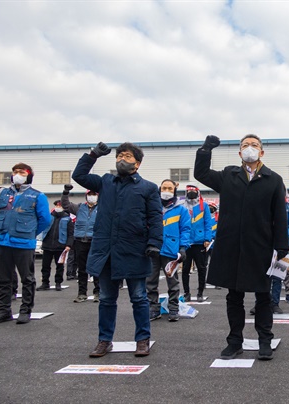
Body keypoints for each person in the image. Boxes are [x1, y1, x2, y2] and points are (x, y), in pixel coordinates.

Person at [194, 134, 289, 361]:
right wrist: (205, 150)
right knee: (233, 296)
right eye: (245, 145)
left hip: (261, 247)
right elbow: (201, 174)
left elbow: (279, 217)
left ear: (262, 152)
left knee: (263, 296)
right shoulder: (229, 175)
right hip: (231, 246)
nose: (249, 149)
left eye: (254, 145)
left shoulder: (273, 179)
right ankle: (234, 341)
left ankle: (265, 340)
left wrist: (281, 248)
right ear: (239, 153)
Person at [72, 142, 163, 358]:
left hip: (135, 250)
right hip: (106, 250)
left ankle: (142, 339)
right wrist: (93, 155)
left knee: (139, 298)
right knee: (106, 299)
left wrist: (154, 243)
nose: (122, 158)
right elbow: (79, 175)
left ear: (137, 164)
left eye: (128, 156)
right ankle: (105, 340)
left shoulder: (148, 188)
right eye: (119, 155)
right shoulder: (105, 182)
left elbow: (155, 218)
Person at [0, 163, 51, 324]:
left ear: (29, 174)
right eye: (15, 171)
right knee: (2, 279)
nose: (17, 174)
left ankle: (25, 310)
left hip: (23, 243)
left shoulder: (38, 196)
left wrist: (29, 233)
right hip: (2, 241)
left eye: (21, 172)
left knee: (27, 278)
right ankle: (4, 311)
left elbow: (45, 220)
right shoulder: (2, 193)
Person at [147, 180, 191, 322]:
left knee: (173, 282)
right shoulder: (152, 207)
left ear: (174, 191)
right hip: (153, 249)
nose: (166, 190)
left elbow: (185, 230)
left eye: (169, 188)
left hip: (171, 250)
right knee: (150, 281)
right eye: (164, 188)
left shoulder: (181, 209)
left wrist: (183, 247)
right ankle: (153, 309)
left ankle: (173, 308)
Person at [61, 185, 100, 303]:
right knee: (82, 269)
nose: (91, 197)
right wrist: (65, 192)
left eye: (94, 194)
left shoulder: (102, 208)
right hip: (80, 241)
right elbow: (65, 204)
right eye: (89, 194)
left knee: (97, 268)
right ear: (86, 196)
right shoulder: (79, 208)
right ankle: (82, 293)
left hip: (95, 241)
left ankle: (98, 293)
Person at [181, 185, 212, 303]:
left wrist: (207, 239)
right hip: (186, 242)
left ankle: (200, 292)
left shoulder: (203, 206)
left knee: (201, 268)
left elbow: (208, 224)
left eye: (194, 191)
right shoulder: (183, 206)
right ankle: (186, 293)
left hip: (200, 242)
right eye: (189, 191)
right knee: (185, 269)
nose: (191, 193)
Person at [36, 200, 73, 292]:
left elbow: (71, 233)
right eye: (56, 205)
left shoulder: (67, 218)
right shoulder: (49, 217)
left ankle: (58, 283)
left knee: (59, 266)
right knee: (45, 266)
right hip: (47, 245)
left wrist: (68, 244)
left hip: (60, 245)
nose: (58, 207)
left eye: (60, 205)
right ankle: (45, 283)